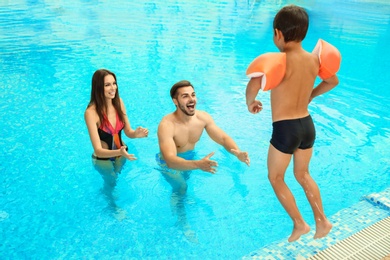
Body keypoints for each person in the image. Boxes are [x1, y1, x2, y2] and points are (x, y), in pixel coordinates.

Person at [245, 5, 338, 242]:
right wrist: (311, 95)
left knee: (275, 177)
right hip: (307, 125)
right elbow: (332, 81)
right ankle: (322, 221)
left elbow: (253, 85)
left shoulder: (279, 60)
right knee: (303, 174)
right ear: (304, 32)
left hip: (286, 129)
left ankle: (300, 224)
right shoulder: (313, 60)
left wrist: (251, 102)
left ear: (278, 33)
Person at [156, 80, 250, 242]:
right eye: (185, 96)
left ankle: (183, 200)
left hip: (191, 159)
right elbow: (171, 160)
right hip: (168, 163)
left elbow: (223, 137)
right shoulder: (167, 125)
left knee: (185, 186)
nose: (191, 99)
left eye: (193, 95)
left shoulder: (202, 118)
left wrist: (237, 152)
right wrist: (198, 165)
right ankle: (182, 222)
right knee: (181, 187)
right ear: (175, 101)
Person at [84, 69, 148, 217]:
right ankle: (112, 207)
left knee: (115, 178)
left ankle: (106, 191)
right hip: (103, 158)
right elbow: (98, 150)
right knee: (111, 181)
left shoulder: (119, 102)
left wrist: (136, 134)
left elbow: (128, 132)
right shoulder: (91, 113)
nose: (113, 88)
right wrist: (120, 152)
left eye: (114, 83)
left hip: (121, 153)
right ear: (98, 87)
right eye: (107, 85)